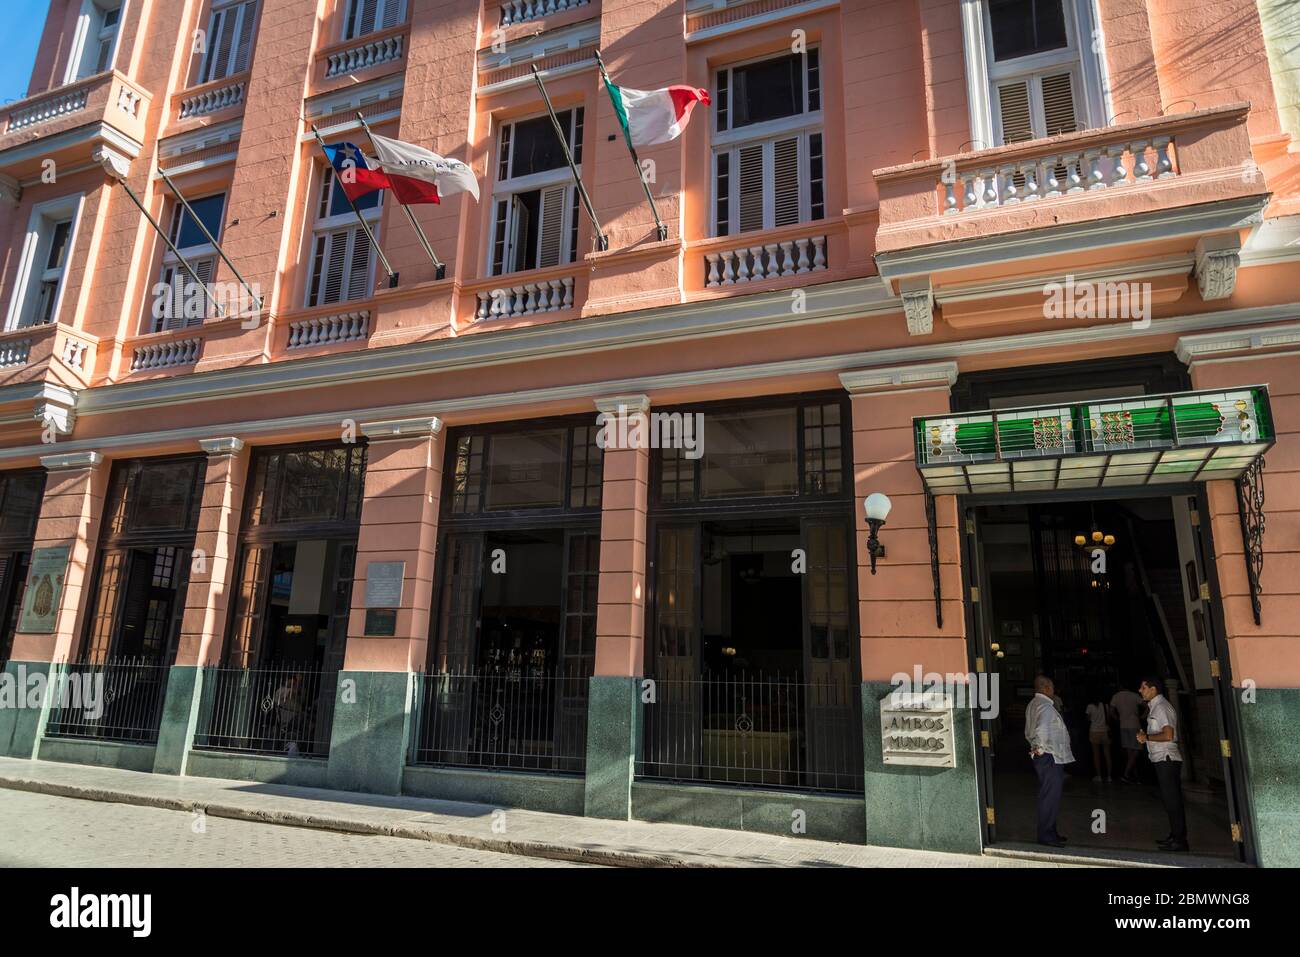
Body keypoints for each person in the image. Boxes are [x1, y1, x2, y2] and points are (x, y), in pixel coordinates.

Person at [1137, 677, 1188, 852]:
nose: (1140, 690)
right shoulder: (1156, 707)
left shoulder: (1161, 707)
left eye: (1143, 687)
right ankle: (1175, 835)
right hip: (1161, 758)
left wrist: (1147, 738)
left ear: (1153, 689)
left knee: (1172, 800)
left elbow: (1168, 735)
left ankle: (1180, 840)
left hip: (1167, 758)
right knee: (1169, 800)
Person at [1025, 674, 1075, 848]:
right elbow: (1042, 729)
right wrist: (1039, 748)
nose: (1054, 691)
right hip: (1049, 756)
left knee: (1050, 796)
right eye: (1052, 687)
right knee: (1050, 797)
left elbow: (1029, 730)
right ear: (1045, 688)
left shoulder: (1034, 704)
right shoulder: (1045, 707)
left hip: (1045, 755)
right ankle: (1047, 835)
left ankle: (1051, 831)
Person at [1110, 683, 1144, 783]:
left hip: (1123, 725)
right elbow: (1147, 706)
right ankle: (1127, 774)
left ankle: (1132, 776)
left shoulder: (1116, 696)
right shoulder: (1134, 696)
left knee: (1130, 753)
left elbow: (1111, 712)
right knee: (1136, 751)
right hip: (1135, 724)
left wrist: (1118, 719)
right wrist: (1143, 716)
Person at [1085, 689, 1114, 783]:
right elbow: (1109, 718)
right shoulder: (1106, 706)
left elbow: (1088, 719)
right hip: (1105, 731)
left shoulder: (1090, 706)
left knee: (1096, 755)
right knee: (1107, 754)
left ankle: (1099, 776)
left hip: (1094, 731)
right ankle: (1109, 776)